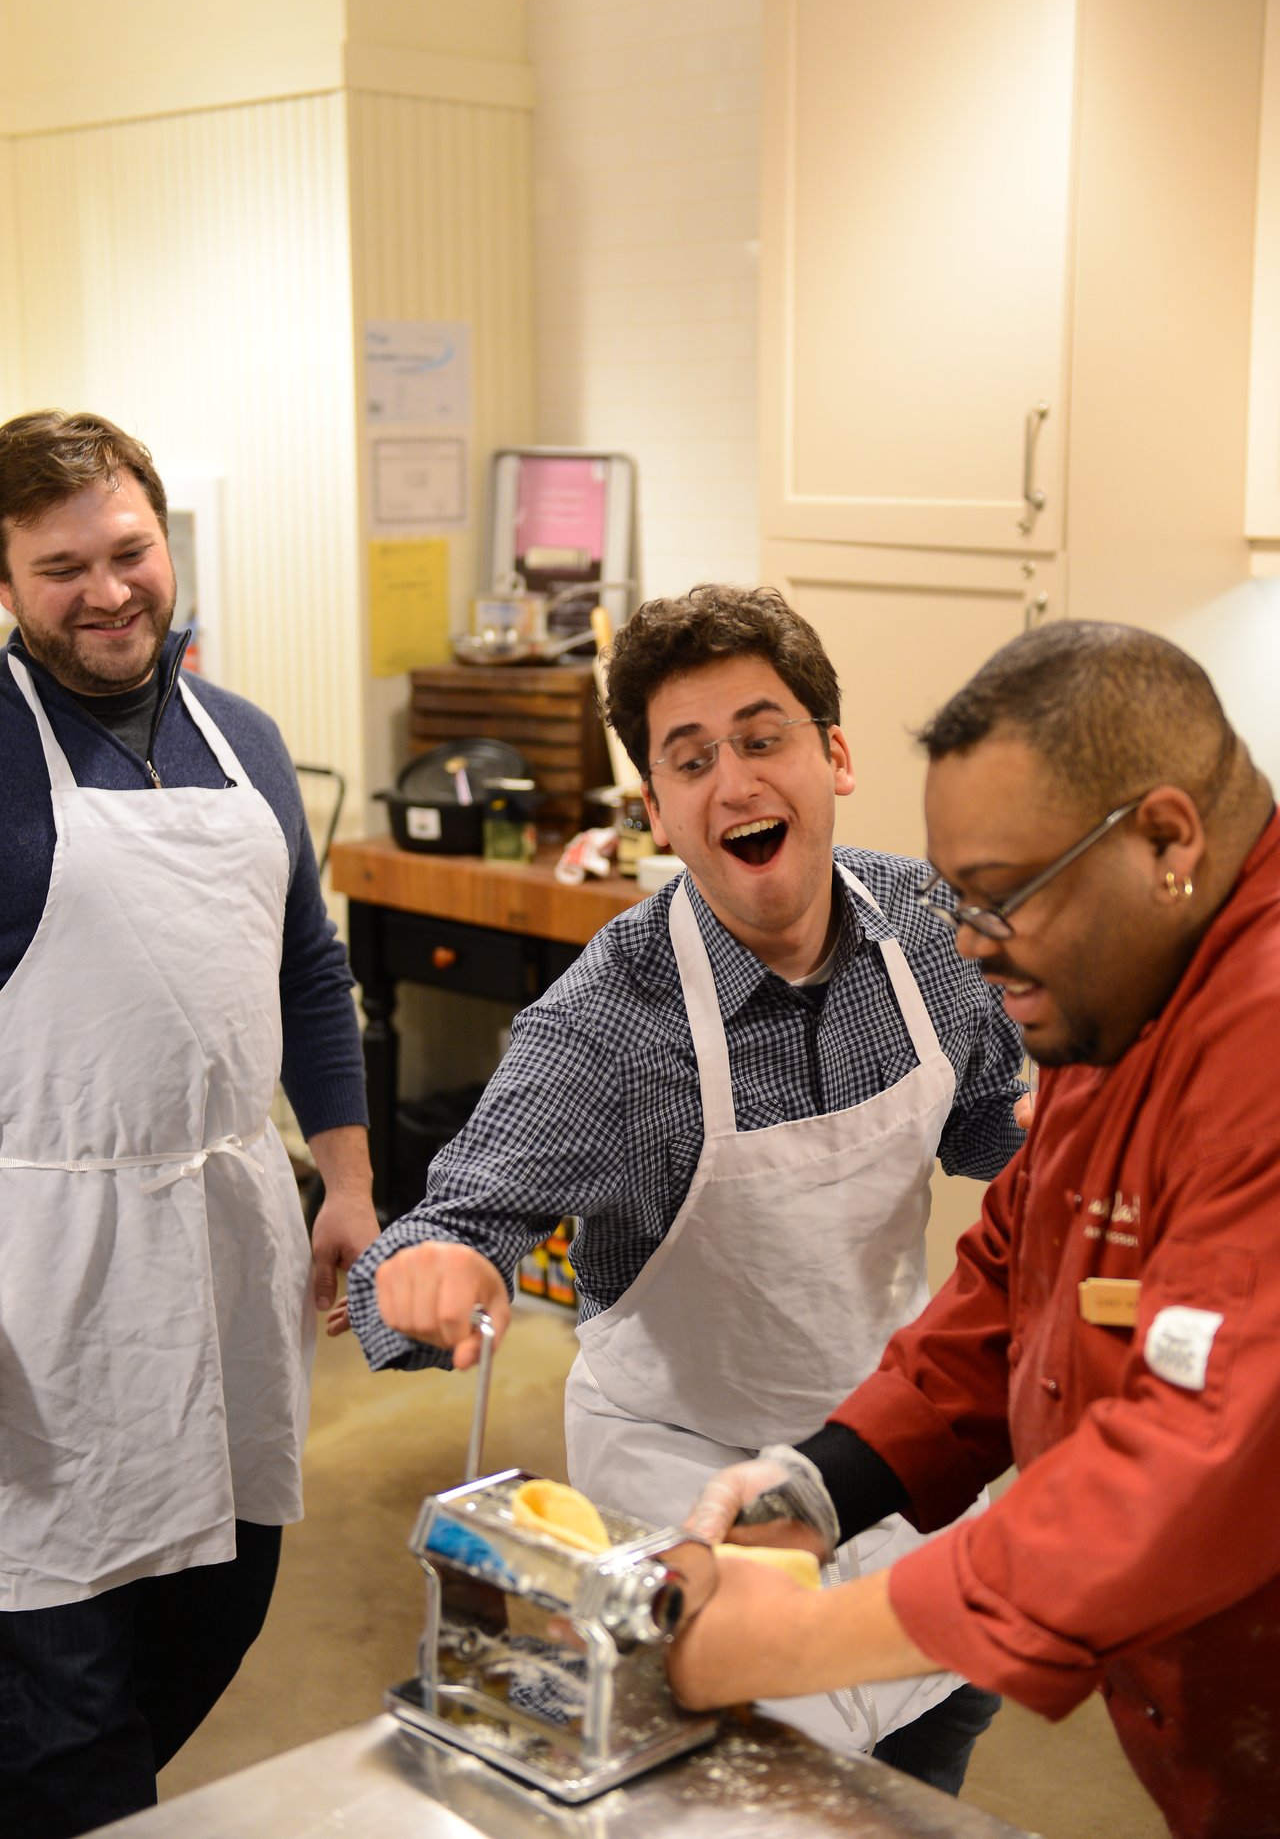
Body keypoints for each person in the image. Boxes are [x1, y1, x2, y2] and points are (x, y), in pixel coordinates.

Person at [346, 583, 1028, 1792]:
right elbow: (433, 1240)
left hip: (893, 1460)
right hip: (688, 1504)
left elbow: (985, 1132)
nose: (736, 782)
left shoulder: (927, 928)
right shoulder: (612, 1024)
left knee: (920, 1793)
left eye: (762, 739)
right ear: (656, 808)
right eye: (690, 760)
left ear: (833, 755)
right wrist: (432, 1272)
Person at [669, 619, 1280, 1839]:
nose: (964, 943)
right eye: (955, 901)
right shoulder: (1129, 987)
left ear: (1164, 838)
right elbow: (1016, 1278)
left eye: (1002, 901)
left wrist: (806, 1636)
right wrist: (822, 1482)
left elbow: (1193, 1462)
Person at [0, 410, 379, 1838]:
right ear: (7, 582)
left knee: (221, 1594)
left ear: (165, 540)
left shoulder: (251, 741)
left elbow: (309, 968)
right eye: (59, 567)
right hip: (38, 1273)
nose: (105, 590)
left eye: (128, 550)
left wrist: (345, 1179)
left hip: (228, 1251)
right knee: (60, 1676)